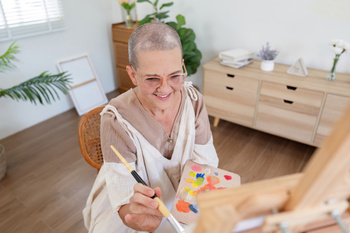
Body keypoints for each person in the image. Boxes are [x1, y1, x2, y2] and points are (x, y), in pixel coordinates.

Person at [83, 22, 219, 233]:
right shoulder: (116, 119)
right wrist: (137, 217)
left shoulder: (193, 101)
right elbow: (124, 200)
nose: (165, 88)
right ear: (132, 75)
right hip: (139, 203)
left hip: (185, 193)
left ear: (183, 66)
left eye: (175, 76)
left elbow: (206, 162)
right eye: (152, 79)